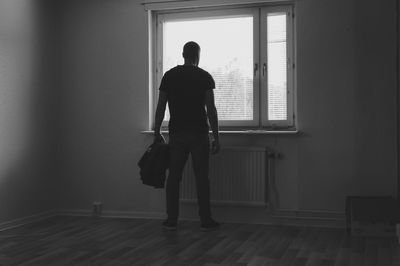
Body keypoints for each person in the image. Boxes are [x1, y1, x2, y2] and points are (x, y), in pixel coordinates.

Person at [153, 41, 220, 231]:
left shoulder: (169, 76)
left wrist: (157, 132)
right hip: (199, 133)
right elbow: (211, 110)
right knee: (202, 178)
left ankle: (171, 219)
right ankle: (206, 220)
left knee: (174, 177)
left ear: (183, 54)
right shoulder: (204, 77)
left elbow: (161, 107)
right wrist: (216, 137)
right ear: (198, 56)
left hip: (177, 134)